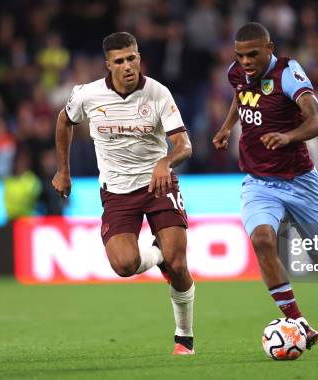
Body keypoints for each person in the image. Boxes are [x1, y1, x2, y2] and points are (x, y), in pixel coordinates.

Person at [51, 32, 195, 355]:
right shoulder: (88, 95)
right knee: (125, 265)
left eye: (132, 58)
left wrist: (165, 161)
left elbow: (184, 144)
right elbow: (64, 121)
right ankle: (156, 254)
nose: (128, 66)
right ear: (108, 65)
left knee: (179, 261)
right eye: (120, 61)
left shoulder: (158, 93)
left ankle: (184, 337)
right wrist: (63, 170)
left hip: (158, 185)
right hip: (116, 192)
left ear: (139, 57)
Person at [212, 22, 318, 350]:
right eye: (240, 55)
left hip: (300, 181)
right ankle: (298, 320)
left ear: (269, 48)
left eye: (252, 55)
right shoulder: (236, 72)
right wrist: (226, 127)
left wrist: (287, 136)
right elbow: (239, 97)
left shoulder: (288, 74)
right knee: (262, 240)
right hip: (259, 182)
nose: (245, 62)